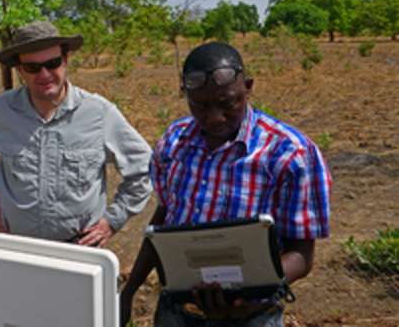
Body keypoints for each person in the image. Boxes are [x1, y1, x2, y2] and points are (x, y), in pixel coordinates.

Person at [120, 42, 331, 326]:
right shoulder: (174, 142)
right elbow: (164, 220)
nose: (215, 117)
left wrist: (245, 295)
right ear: (185, 94)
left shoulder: (290, 153)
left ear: (247, 87)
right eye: (200, 105)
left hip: (250, 315)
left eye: (227, 103)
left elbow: (301, 255)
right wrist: (129, 291)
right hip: (176, 312)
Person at [0, 21, 153, 247]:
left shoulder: (98, 113)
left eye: (52, 63)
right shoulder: (0, 112)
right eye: (32, 68)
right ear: (20, 70)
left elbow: (144, 167)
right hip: (16, 246)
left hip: (81, 250)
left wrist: (112, 221)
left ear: (66, 60)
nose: (44, 74)